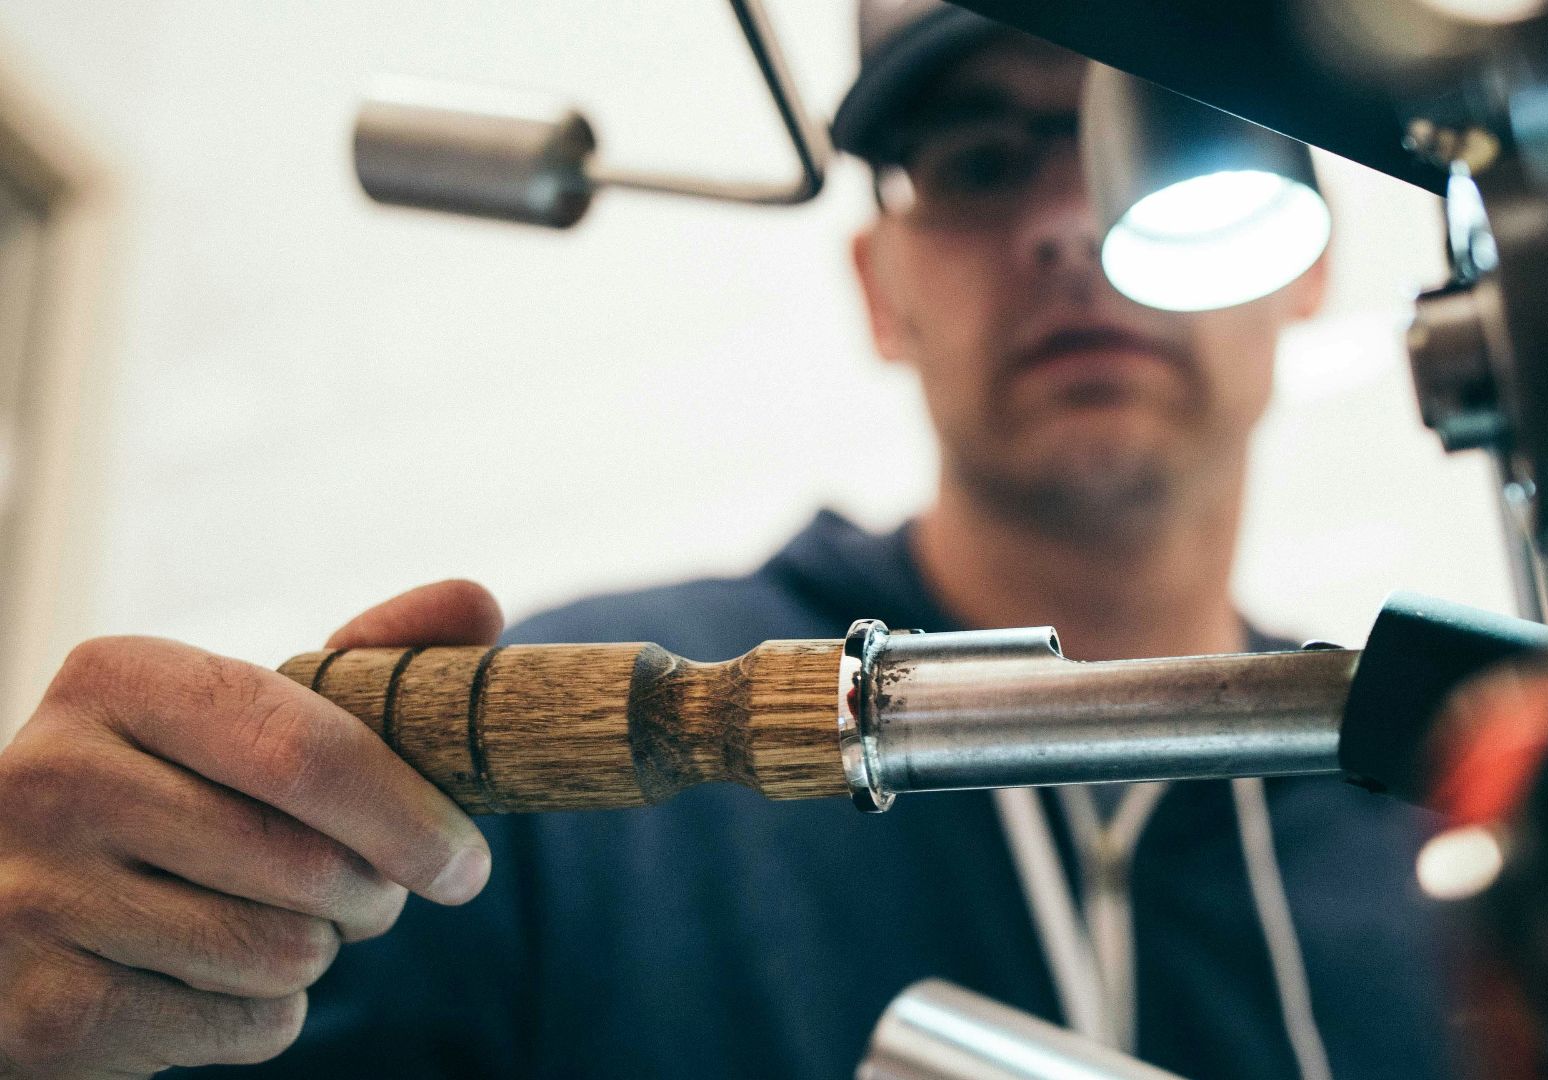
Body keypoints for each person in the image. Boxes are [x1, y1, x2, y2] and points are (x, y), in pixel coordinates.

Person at [0, 4, 1452, 1078]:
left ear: (1306, 257)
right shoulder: (546, 777)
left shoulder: (1451, 841)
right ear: (882, 290)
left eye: (1160, 143)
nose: (1070, 222)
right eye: (976, 160)